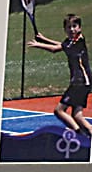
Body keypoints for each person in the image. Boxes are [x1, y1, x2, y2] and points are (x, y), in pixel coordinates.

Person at [28, 13, 92, 141]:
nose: (72, 29)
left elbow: (55, 49)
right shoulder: (71, 41)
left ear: (79, 28)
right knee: (77, 115)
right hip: (84, 82)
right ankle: (85, 135)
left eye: (75, 26)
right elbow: (61, 45)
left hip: (79, 82)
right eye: (69, 27)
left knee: (59, 111)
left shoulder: (78, 41)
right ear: (65, 29)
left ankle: (79, 134)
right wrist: (44, 38)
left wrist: (38, 44)